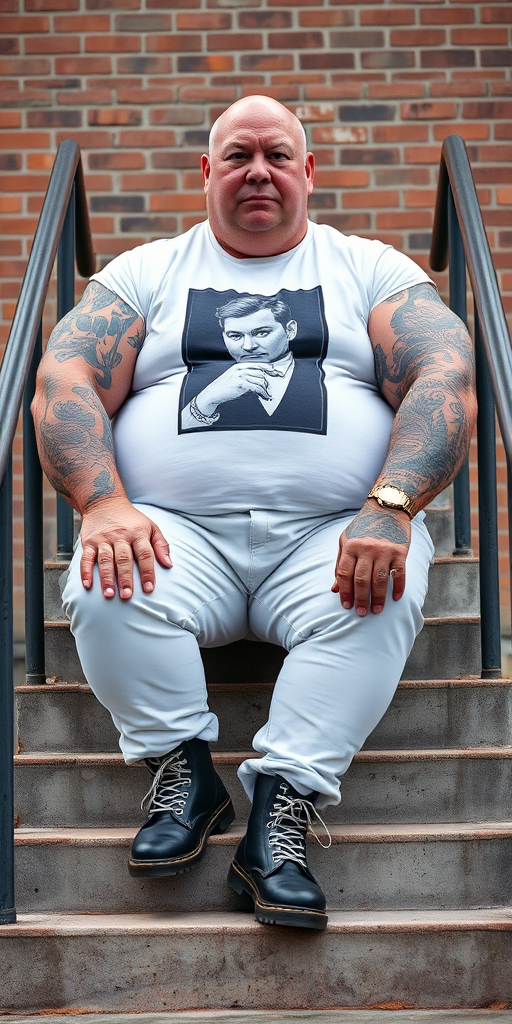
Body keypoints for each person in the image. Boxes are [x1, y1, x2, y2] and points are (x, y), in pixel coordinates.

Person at [32, 96, 476, 932]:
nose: (259, 171)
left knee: (389, 575)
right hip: (175, 534)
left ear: (309, 172)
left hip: (331, 536)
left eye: (278, 155)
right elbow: (64, 381)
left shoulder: (369, 271)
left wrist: (390, 506)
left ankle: (283, 809)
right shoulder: (144, 274)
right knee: (101, 578)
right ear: (207, 172)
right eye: (238, 155)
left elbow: (443, 375)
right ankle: (183, 772)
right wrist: (103, 502)